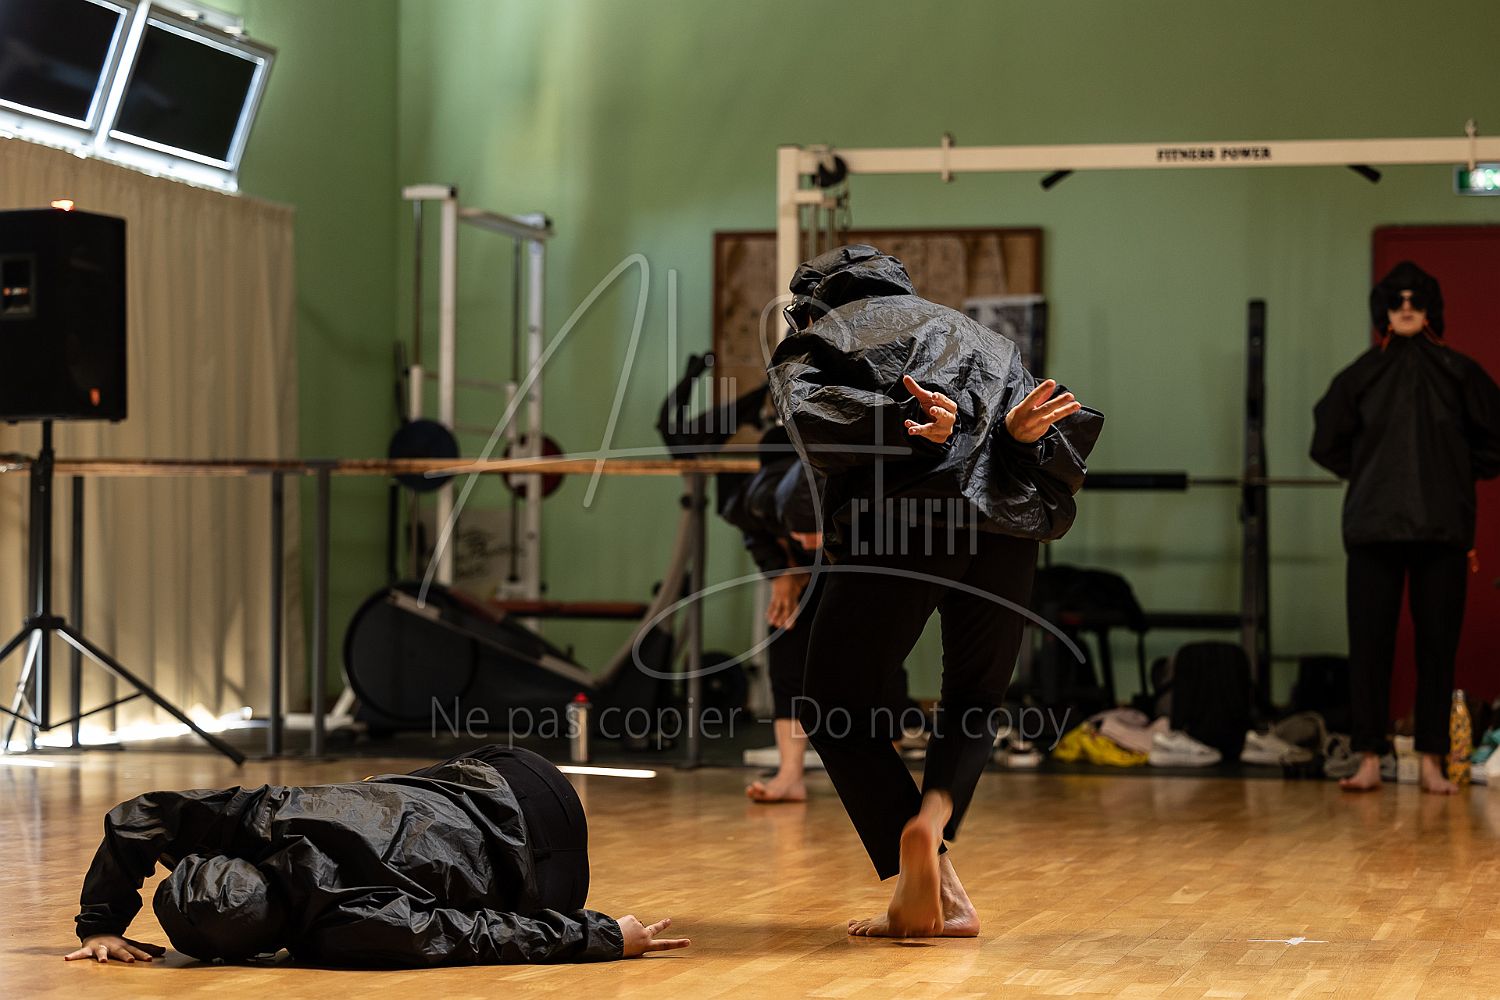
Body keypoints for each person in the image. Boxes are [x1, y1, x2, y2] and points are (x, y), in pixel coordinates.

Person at [767, 244, 1103, 937]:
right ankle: (938, 846)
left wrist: (912, 427)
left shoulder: (825, 333)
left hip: (907, 523)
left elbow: (812, 420)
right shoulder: (987, 339)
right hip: (1006, 530)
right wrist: (1013, 442)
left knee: (831, 701)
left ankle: (917, 854)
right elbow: (1042, 443)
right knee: (974, 697)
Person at [63, 745, 689, 965]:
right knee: (382, 794)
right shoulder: (260, 818)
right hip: (509, 772)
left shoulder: (344, 929)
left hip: (552, 870)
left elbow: (476, 934)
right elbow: (139, 816)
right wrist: (100, 922)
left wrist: (603, 935)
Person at [1311, 260, 1500, 795]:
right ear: (1384, 311)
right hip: (1374, 530)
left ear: (1431, 308)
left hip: (1442, 531)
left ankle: (1433, 761)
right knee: (1368, 646)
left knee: (1438, 648)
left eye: (1416, 300)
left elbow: (1496, 440)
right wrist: (1372, 475)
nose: (1408, 308)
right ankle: (1369, 758)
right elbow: (1325, 442)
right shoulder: (1361, 376)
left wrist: (1453, 474)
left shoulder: (1460, 373)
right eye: (1397, 301)